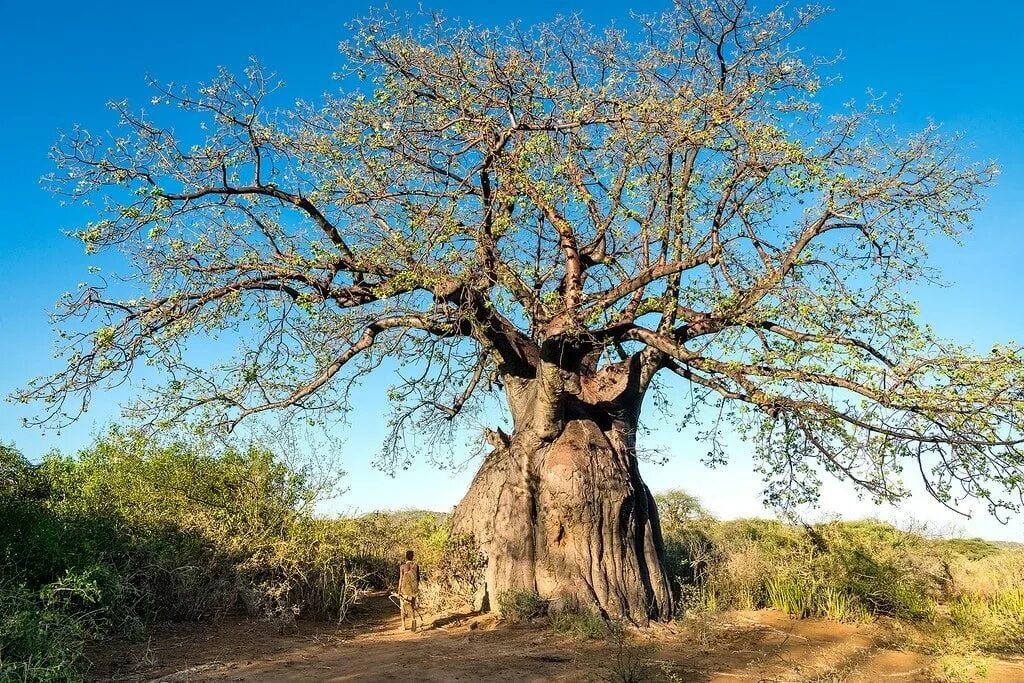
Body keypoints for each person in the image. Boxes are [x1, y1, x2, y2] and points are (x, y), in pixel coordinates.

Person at [397, 549, 420, 631]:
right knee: (412, 606)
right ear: (412, 557)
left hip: (404, 589)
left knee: (402, 607)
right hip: (413, 589)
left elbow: (401, 579)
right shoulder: (416, 566)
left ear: (406, 557)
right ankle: (413, 622)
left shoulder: (402, 567)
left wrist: (399, 590)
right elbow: (418, 578)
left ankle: (403, 625)